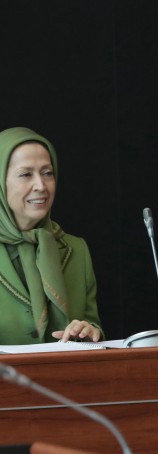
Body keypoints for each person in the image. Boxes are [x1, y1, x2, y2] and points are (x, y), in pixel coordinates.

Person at [0, 127, 103, 344]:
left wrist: (88, 332)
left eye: (47, 173)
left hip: (61, 377)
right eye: (26, 174)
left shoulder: (76, 250)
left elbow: (93, 326)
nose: (41, 186)